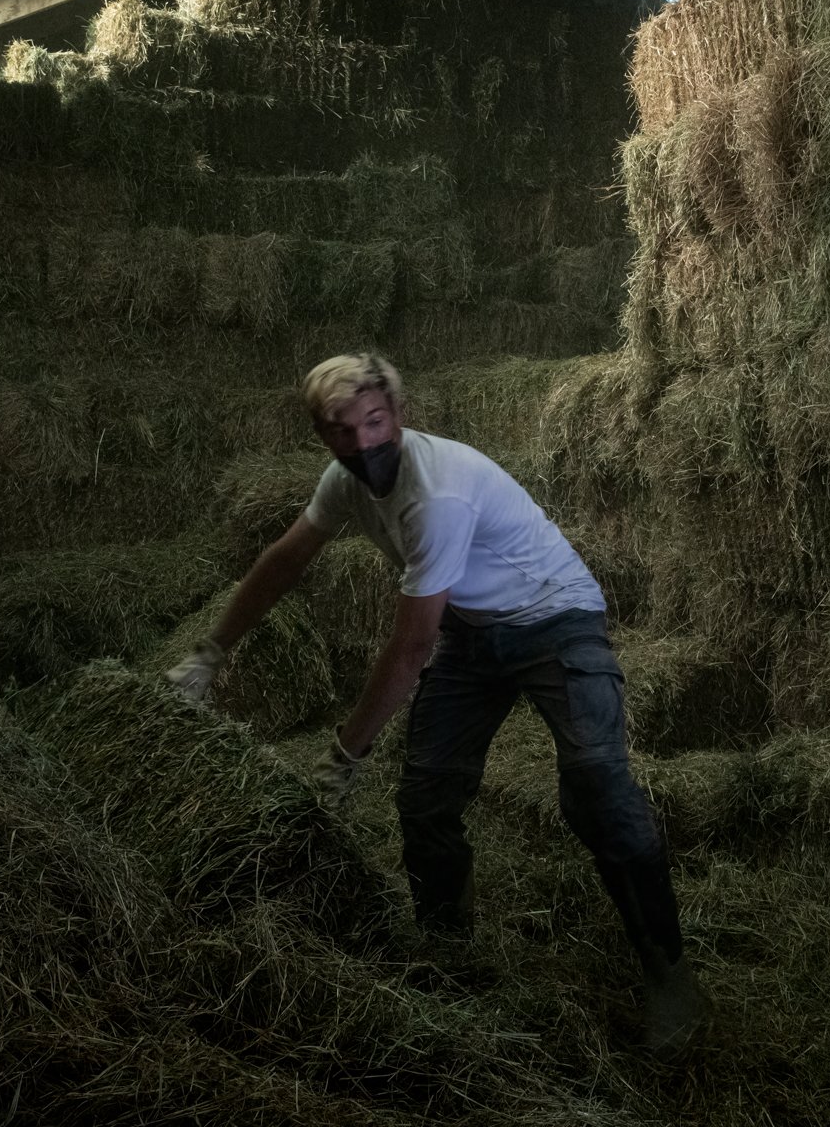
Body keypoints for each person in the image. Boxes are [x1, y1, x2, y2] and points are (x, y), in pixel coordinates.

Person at [165, 351, 709, 1051]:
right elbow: (285, 560)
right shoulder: (344, 484)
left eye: (373, 421)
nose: (362, 443)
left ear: (398, 414)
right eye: (341, 429)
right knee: (424, 797)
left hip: (555, 619)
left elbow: (411, 650)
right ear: (322, 436)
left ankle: (670, 973)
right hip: (476, 635)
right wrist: (211, 652)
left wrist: (344, 754)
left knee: (597, 783)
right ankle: (448, 952)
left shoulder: (437, 492)